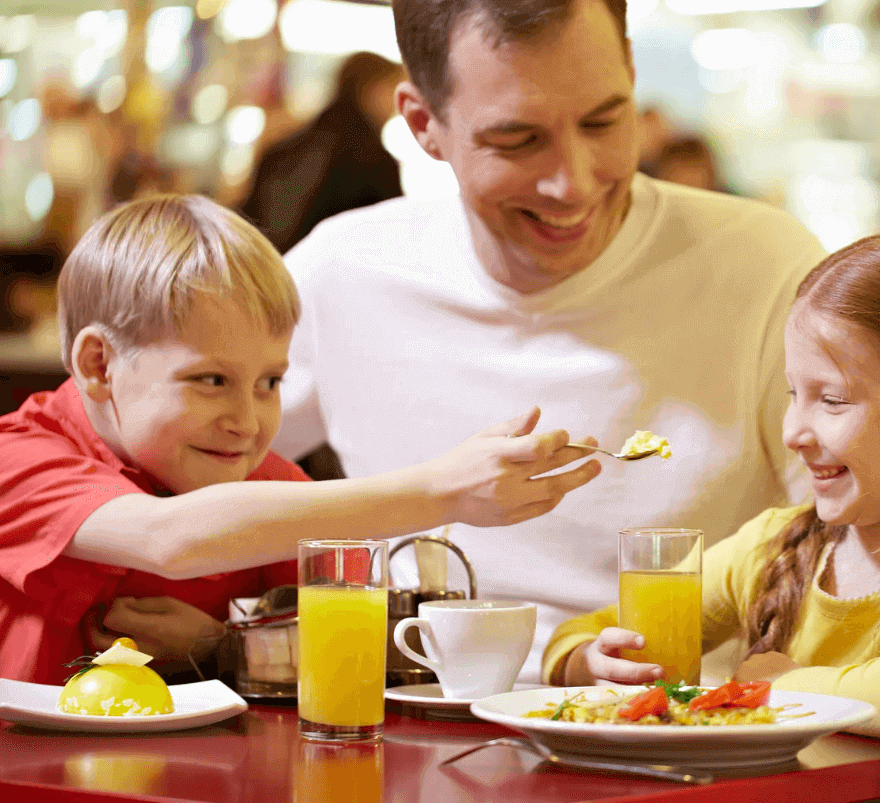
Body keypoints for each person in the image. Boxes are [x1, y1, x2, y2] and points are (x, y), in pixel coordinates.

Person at [272, 0, 827, 682]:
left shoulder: (765, 267)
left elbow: (871, 539)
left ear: (630, 71)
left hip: (683, 747)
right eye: (516, 141)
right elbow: (159, 468)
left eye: (603, 120)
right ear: (423, 124)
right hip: (413, 742)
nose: (573, 181)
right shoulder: (343, 273)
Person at [0, 194, 599, 685]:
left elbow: (376, 654)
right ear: (101, 365)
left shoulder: (266, 485)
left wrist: (219, 649)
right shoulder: (20, 458)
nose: (248, 419)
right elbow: (170, 537)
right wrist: (444, 490)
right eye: (211, 380)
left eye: (270, 381)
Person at [545, 230, 880, 743]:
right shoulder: (774, 547)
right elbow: (585, 632)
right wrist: (589, 662)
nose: (792, 433)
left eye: (832, 400)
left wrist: (779, 684)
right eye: (793, 393)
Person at [240, 51, 405, 255]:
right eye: (393, 91)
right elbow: (393, 239)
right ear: (373, 90)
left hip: (270, 270)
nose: (398, 107)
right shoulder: (375, 162)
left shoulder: (287, 147)